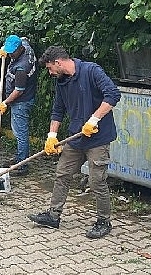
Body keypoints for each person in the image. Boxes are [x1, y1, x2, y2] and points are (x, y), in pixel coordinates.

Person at [28, 45, 121, 239]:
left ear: (58, 62)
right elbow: (58, 111)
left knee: (97, 181)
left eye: (49, 68)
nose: (50, 72)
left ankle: (104, 221)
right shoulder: (61, 82)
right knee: (62, 174)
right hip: (76, 138)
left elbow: (113, 94)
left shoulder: (91, 71)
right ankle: (53, 216)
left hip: (98, 138)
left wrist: (94, 119)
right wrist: (51, 136)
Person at [0, 35, 37, 176]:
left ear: (20, 49)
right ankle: (20, 158)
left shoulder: (22, 68)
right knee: (19, 131)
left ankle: (22, 165)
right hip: (23, 99)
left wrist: (5, 103)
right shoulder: (26, 46)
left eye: (12, 52)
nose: (10, 54)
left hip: (21, 102)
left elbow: (19, 91)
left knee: (20, 134)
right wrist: (4, 50)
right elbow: (24, 38)